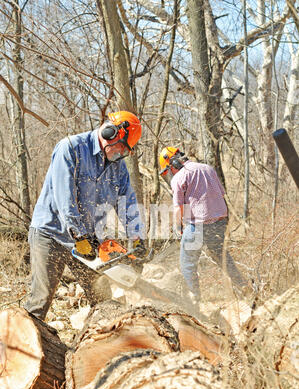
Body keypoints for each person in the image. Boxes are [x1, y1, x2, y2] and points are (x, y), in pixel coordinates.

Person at [24, 110, 146, 321]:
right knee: (41, 299)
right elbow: (65, 198)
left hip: (88, 239)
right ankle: (16, 346)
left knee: (102, 298)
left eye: (125, 151)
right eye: (120, 147)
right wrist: (79, 235)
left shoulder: (118, 167)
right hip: (51, 233)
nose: (120, 153)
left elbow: (127, 202)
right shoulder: (71, 148)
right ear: (110, 132)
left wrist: (137, 237)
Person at [159, 146, 249, 304]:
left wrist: (178, 227)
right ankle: (244, 287)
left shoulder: (179, 178)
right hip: (220, 221)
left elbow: (178, 207)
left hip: (198, 226)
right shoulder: (207, 168)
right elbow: (221, 193)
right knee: (222, 258)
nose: (171, 173)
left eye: (169, 170)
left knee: (187, 264)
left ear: (172, 163)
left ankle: (195, 301)